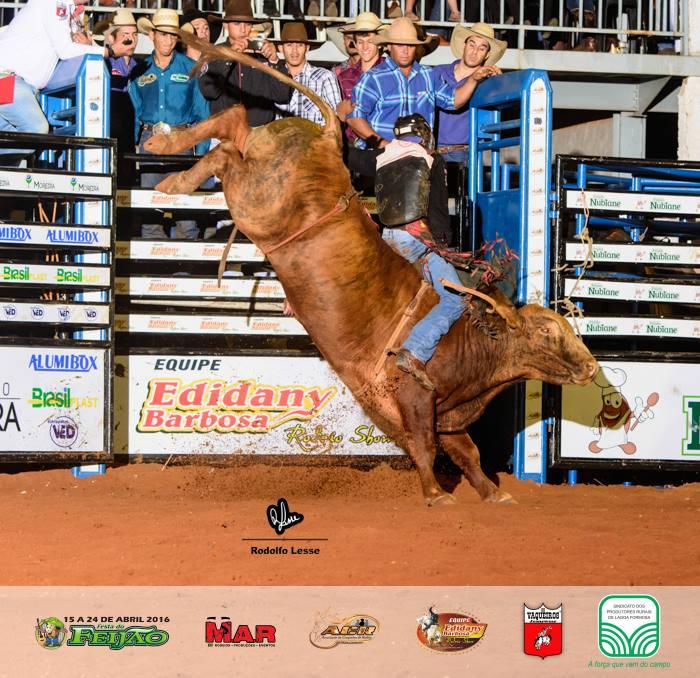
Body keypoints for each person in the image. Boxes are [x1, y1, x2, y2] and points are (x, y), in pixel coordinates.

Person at [346, 17, 475, 246]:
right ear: (389, 47)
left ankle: (439, 242)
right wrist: (383, 144)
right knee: (346, 157)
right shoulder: (374, 78)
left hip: (416, 155)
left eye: (410, 45)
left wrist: (473, 78)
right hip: (383, 152)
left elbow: (453, 101)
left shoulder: (428, 75)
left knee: (433, 163)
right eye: (400, 44)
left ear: (417, 48)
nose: (405, 50)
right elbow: (355, 118)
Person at [129, 8, 210, 239]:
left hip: (182, 140)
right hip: (149, 139)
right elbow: (134, 112)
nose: (167, 40)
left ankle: (183, 269)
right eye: (163, 34)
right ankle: (152, 267)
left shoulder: (189, 67)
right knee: (149, 209)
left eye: (172, 35)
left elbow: (201, 112)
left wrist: (200, 153)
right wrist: (131, 148)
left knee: (185, 211)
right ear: (152, 35)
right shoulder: (138, 70)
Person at [0, 0, 104, 153]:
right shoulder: (52, 3)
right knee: (35, 130)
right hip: (7, 79)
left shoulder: (66, 9)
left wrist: (87, 44)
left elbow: (68, 49)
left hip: (15, 82)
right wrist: (107, 52)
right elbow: (66, 50)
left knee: (15, 137)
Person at [198, 0, 291, 127]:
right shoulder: (213, 53)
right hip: (225, 134)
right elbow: (208, 91)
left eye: (247, 24)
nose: (243, 29)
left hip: (258, 134)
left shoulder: (262, 54)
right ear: (226, 25)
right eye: (237, 23)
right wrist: (228, 57)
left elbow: (282, 95)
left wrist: (274, 61)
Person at [434, 22, 505, 163]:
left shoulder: (487, 82)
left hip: (464, 154)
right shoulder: (437, 72)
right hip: (431, 152)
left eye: (481, 48)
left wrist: (500, 83)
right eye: (472, 44)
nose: (474, 52)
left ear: (487, 54)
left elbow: (504, 107)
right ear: (464, 45)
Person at [273, 23, 341, 126]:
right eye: (289, 45)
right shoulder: (275, 78)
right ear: (281, 48)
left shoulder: (324, 77)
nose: (294, 51)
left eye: (300, 45)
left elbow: (336, 115)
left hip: (315, 139)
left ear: (307, 48)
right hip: (282, 140)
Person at [100, 9, 139, 183]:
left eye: (134, 34)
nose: (131, 39)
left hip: (129, 137)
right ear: (112, 38)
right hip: (109, 133)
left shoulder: (138, 66)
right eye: (125, 34)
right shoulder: (104, 63)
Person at [335, 12, 385, 144]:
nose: (365, 47)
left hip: (384, 144)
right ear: (355, 45)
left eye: (370, 41)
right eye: (360, 42)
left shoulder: (391, 72)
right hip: (353, 146)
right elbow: (339, 114)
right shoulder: (344, 77)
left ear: (380, 44)